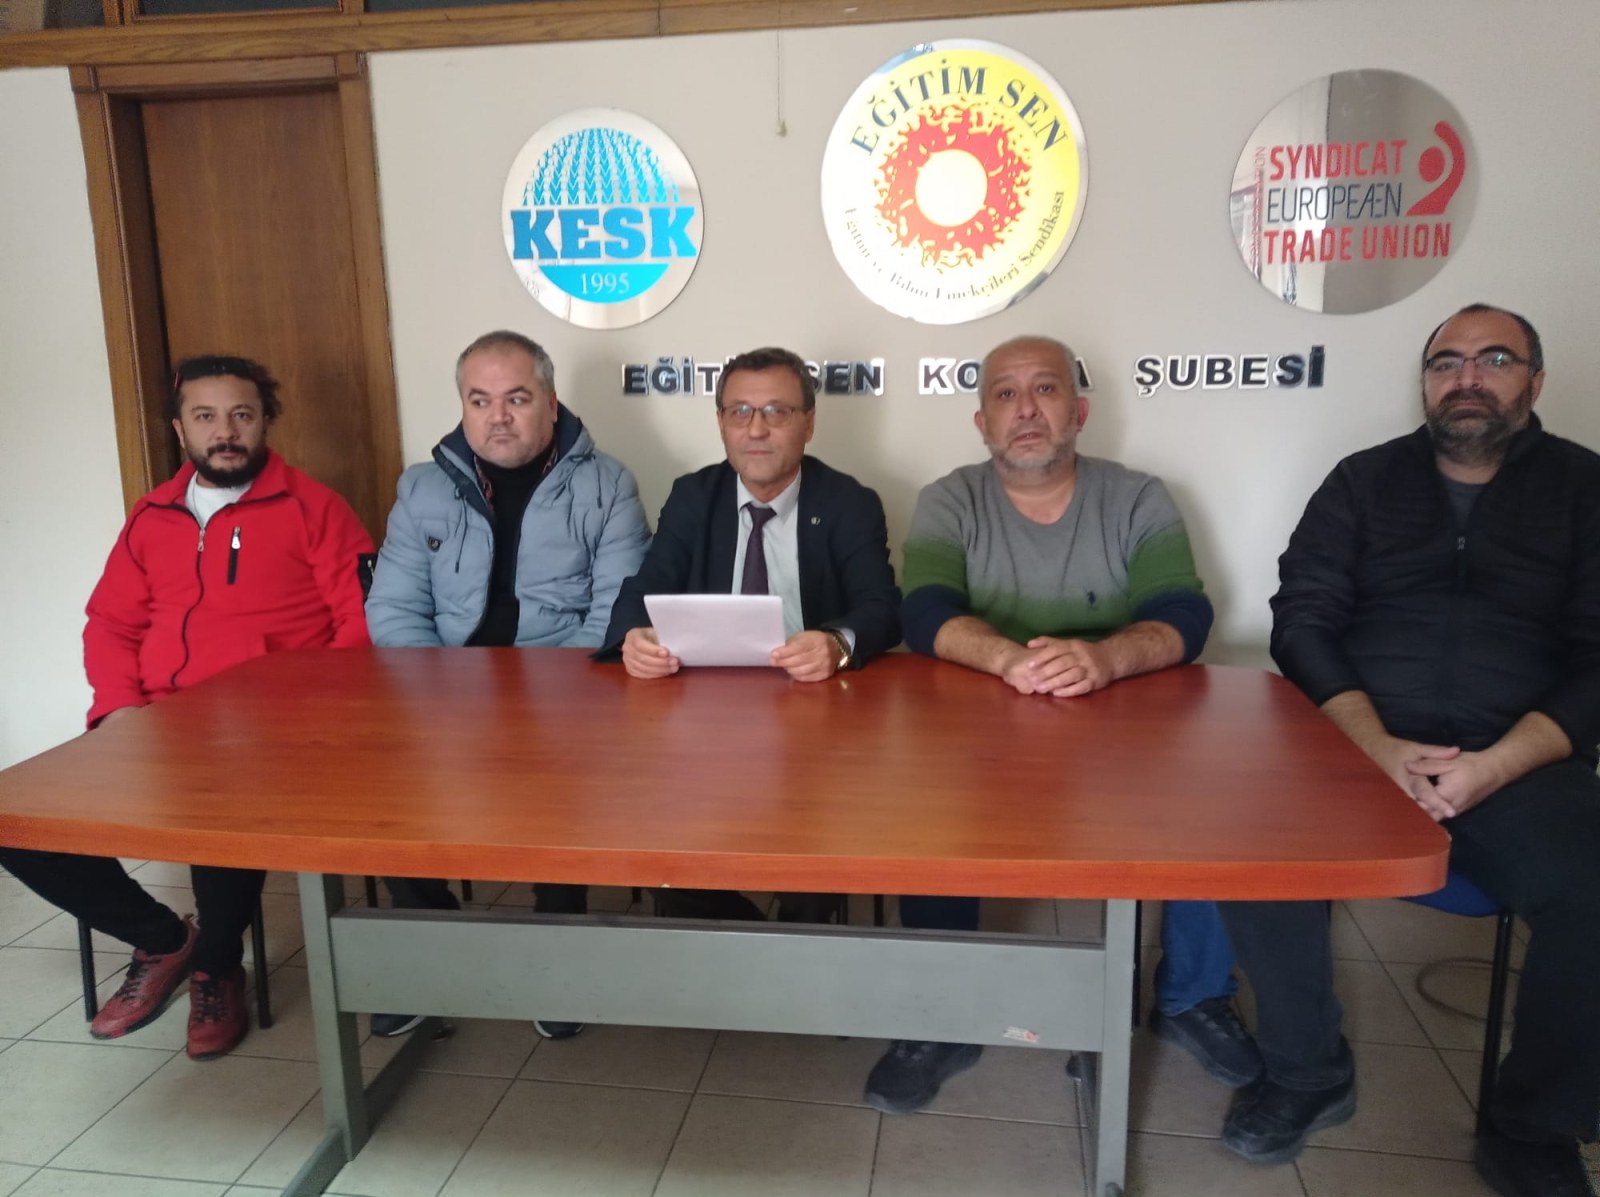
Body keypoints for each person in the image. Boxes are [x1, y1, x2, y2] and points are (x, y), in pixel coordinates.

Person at [1231, 303, 1600, 1195]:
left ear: (1535, 380)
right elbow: (1302, 617)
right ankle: (1308, 1071)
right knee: (1248, 841)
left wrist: (1492, 765)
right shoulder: (1362, 482)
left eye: (1494, 358)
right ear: (1426, 383)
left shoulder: (1585, 489)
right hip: (1358, 748)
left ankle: (1533, 1123)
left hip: (1522, 760)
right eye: (1446, 362)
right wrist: (1375, 744)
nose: (1466, 377)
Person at [876, 333, 1231, 1115]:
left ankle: (1192, 998)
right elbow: (923, 610)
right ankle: (940, 1016)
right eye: (1005, 394)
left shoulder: (1137, 497)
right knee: (924, 807)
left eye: (1045, 389)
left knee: (1216, 804)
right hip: (981, 729)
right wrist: (1008, 659)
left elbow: (1184, 613)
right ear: (982, 421)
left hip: (1123, 725)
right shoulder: (950, 498)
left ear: (1080, 411)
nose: (1026, 409)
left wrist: (1104, 658)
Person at [0, 354, 374, 1059]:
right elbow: (110, 624)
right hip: (152, 723)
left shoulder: (314, 508)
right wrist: (118, 708)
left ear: (265, 422)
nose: (224, 431)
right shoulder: (151, 517)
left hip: (272, 730)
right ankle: (165, 938)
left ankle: (215, 968)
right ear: (180, 429)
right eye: (206, 416)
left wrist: (308, 714)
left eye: (241, 415)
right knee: (15, 819)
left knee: (222, 809)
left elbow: (361, 623)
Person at [364, 329, 650, 1039]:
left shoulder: (608, 484)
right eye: (480, 400)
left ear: (550, 403)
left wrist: (544, 702)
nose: (498, 416)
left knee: (560, 777)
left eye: (517, 399)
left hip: (563, 696)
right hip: (447, 691)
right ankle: (430, 947)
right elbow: (394, 608)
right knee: (386, 781)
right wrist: (443, 696)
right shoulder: (422, 487)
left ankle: (557, 954)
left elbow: (616, 610)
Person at [602, 345, 900, 922]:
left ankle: (794, 945)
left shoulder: (849, 502)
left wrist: (837, 643)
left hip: (813, 720)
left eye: (777, 412)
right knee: (664, 848)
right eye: (740, 412)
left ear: (809, 423)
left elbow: (882, 606)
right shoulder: (694, 496)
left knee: (816, 862)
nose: (756, 430)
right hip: (703, 720)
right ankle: (750, 943)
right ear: (721, 423)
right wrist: (634, 637)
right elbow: (644, 587)